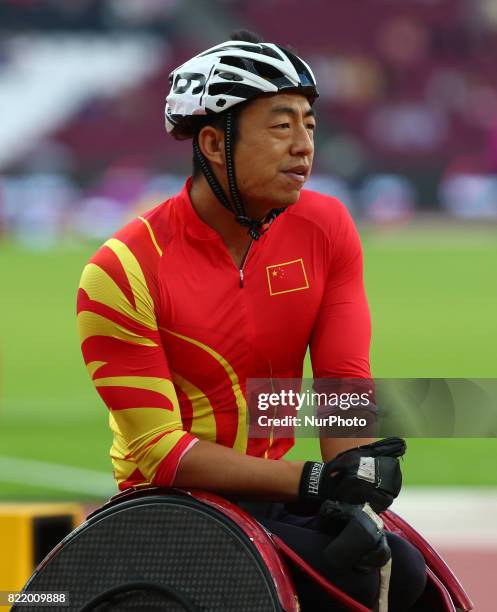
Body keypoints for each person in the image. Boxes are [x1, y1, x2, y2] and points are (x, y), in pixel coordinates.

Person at [77, 30, 426, 611]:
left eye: (310, 124)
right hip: (172, 510)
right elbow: (161, 453)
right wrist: (316, 481)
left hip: (282, 499)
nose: (304, 145)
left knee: (399, 569)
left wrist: (358, 480)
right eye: (281, 125)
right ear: (214, 143)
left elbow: (342, 379)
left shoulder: (327, 227)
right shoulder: (122, 269)